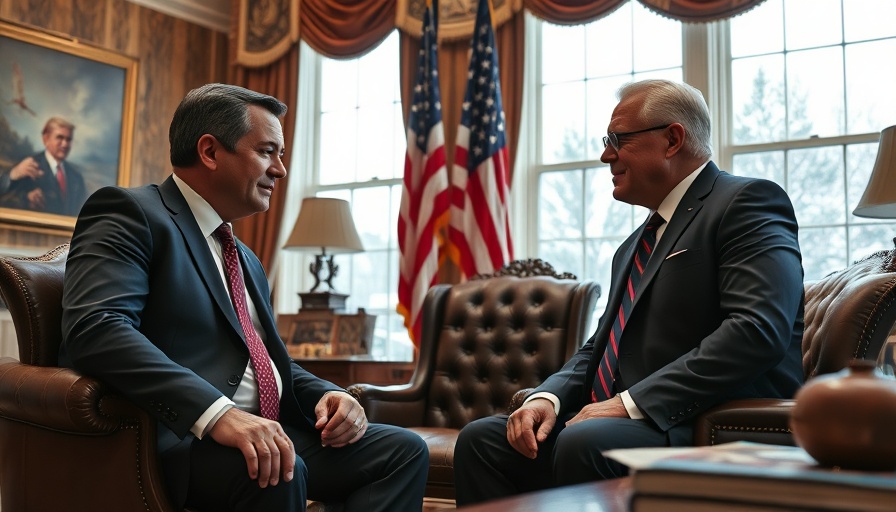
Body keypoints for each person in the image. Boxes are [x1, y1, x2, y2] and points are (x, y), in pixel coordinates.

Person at [59, 83, 428, 511]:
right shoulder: (131, 213)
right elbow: (97, 328)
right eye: (268, 151)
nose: (281, 170)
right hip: (176, 438)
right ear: (211, 151)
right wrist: (216, 413)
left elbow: (269, 361)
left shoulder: (244, 257)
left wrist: (330, 395)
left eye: (282, 155)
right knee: (273, 470)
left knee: (401, 451)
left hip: (264, 430)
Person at [453, 79, 805, 504]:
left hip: (707, 422)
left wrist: (629, 403)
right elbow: (599, 348)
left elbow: (756, 331)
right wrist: (549, 396)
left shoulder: (745, 202)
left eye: (617, 139)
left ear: (672, 139)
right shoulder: (634, 245)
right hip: (623, 422)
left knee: (587, 439)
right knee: (484, 440)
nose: (606, 154)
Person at [0, 116, 88, 216]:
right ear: (46, 139)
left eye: (68, 139)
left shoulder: (76, 177)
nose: (65, 144)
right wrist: (14, 174)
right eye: (60, 137)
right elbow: (3, 193)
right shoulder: (28, 164)